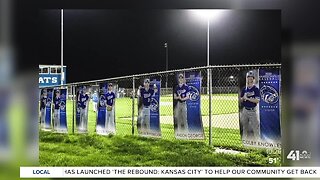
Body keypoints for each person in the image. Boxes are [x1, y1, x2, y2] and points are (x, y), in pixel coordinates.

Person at [240, 71, 260, 140]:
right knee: (244, 128)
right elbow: (241, 99)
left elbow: (257, 101)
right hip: (245, 110)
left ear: (253, 79)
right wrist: (243, 98)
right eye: (248, 77)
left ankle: (259, 143)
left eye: (251, 78)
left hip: (253, 111)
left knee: (255, 128)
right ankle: (244, 142)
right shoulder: (244, 89)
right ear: (247, 79)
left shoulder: (256, 89)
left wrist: (247, 98)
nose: (250, 79)